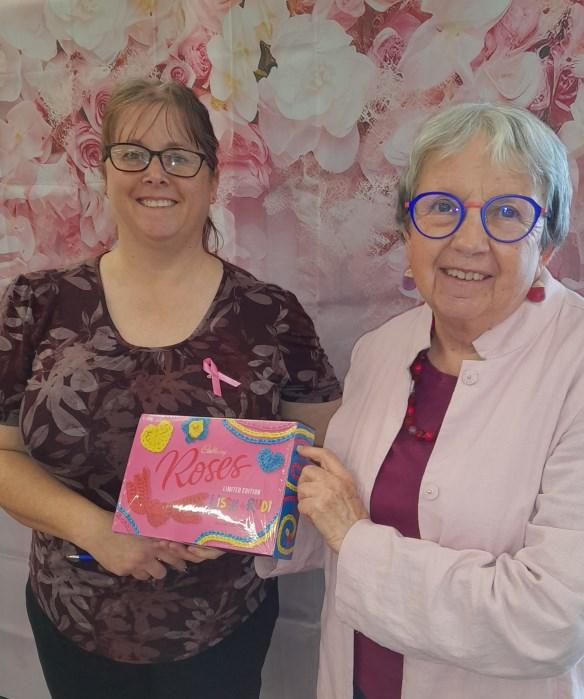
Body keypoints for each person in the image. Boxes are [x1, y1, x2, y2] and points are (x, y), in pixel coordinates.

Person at [0, 78, 341, 699]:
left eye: (180, 157)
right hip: (72, 620)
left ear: (212, 179)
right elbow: (2, 455)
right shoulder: (37, 304)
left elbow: (319, 449)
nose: (156, 173)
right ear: (105, 171)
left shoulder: (271, 315)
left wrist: (242, 514)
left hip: (221, 628)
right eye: (133, 154)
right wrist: (97, 531)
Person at [257, 102, 584, 698]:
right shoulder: (382, 349)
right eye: (442, 207)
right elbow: (335, 513)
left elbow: (551, 617)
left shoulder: (575, 364)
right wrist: (233, 521)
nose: (469, 241)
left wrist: (355, 538)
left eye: (508, 212)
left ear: (549, 241)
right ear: (407, 229)